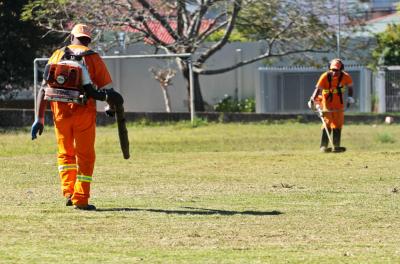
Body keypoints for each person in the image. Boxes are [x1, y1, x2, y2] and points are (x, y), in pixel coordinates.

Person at [31, 24, 122, 210]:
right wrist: (110, 107)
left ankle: (68, 192)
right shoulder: (93, 58)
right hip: (83, 113)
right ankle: (80, 199)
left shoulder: (57, 54)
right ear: (89, 40)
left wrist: (39, 118)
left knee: (65, 153)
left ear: (72, 37)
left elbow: (43, 88)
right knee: (85, 156)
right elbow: (108, 90)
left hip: (59, 113)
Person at [308, 58, 355, 153]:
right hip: (327, 103)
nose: (334, 72)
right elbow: (317, 90)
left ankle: (336, 146)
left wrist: (350, 97)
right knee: (327, 123)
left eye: (337, 70)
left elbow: (350, 87)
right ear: (329, 69)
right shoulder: (324, 76)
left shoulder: (346, 77)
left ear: (341, 69)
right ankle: (323, 146)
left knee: (338, 124)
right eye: (332, 70)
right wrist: (312, 100)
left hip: (339, 104)